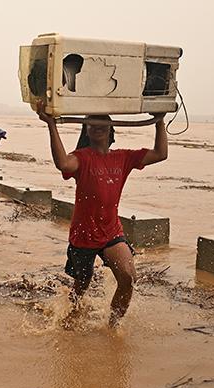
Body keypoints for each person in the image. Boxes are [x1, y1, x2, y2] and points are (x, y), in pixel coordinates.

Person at [36, 102, 167, 328]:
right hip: (83, 235)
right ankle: (68, 318)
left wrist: (159, 121)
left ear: (111, 129)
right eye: (92, 124)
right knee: (81, 286)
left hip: (111, 232)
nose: (97, 127)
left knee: (128, 278)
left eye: (102, 123)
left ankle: (112, 327)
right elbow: (62, 163)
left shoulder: (123, 158)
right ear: (86, 130)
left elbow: (160, 154)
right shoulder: (82, 157)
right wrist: (51, 125)